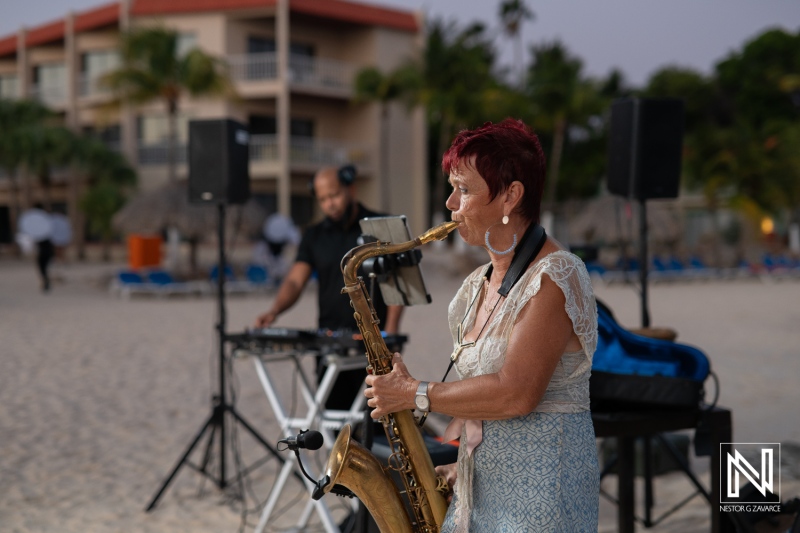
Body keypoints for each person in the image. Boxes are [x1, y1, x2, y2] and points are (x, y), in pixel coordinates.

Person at [364, 119, 600, 532]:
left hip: (542, 501)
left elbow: (517, 393)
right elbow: (484, 399)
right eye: (451, 188)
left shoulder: (555, 275)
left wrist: (413, 394)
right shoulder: (476, 284)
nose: (451, 204)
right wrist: (460, 466)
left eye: (465, 189)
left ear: (511, 195)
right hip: (481, 490)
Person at [254, 164, 403, 410]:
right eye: (323, 199)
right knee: (335, 418)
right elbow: (294, 280)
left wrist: (391, 333)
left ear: (351, 189)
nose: (329, 204)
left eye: (334, 195)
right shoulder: (313, 235)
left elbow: (396, 281)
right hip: (331, 338)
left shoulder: (377, 228)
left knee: (377, 422)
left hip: (375, 344)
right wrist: (274, 311)